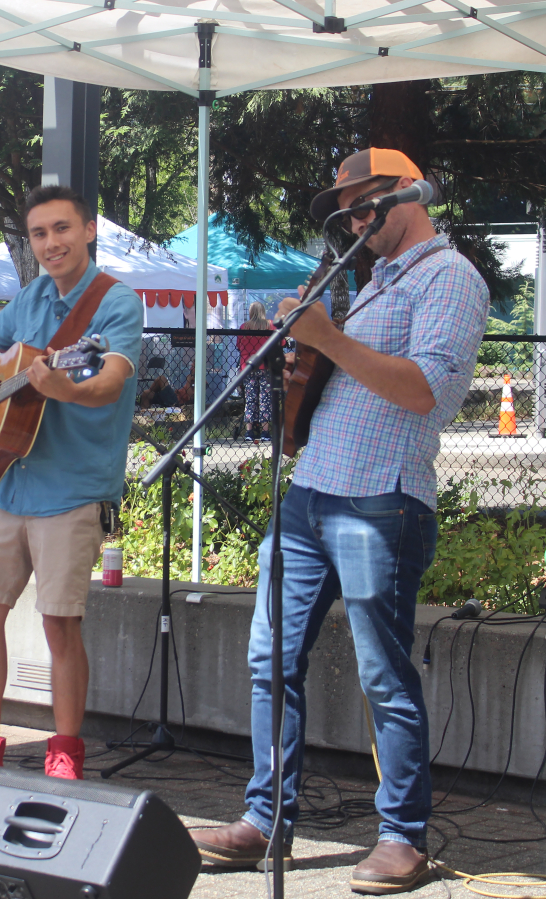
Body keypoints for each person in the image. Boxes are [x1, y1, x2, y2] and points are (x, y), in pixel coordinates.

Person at [190, 148, 489, 893]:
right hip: (312, 490)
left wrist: (329, 339)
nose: (353, 221)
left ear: (407, 195)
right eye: (345, 211)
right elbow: (344, 378)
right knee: (270, 658)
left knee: (383, 673)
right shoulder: (372, 281)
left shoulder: (451, 277)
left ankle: (403, 837)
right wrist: (303, 359)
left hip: (381, 500)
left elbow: (431, 391)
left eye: (365, 206)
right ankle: (266, 821)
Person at [0, 185, 143, 795]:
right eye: (39, 233)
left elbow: (110, 382)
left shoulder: (115, 303)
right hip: (10, 481)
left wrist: (60, 386)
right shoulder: (31, 296)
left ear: (89, 230)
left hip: (70, 489)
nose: (51, 243)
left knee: (59, 624)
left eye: (61, 229)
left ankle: (64, 753)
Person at [237, 302, 275, 441]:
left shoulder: (244, 327)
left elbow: (239, 346)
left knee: (250, 398)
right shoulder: (270, 325)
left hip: (248, 366)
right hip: (265, 366)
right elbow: (280, 343)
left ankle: (249, 431)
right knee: (265, 399)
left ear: (251, 312)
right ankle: (265, 432)